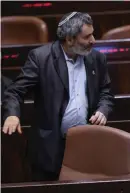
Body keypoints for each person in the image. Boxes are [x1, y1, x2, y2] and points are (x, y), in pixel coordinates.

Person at [2, 12, 114, 181]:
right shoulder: (41, 58)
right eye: (87, 36)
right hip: (50, 148)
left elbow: (106, 91)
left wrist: (103, 109)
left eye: (93, 34)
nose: (93, 41)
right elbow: (14, 91)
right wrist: (12, 114)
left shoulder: (97, 59)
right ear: (69, 39)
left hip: (86, 144)